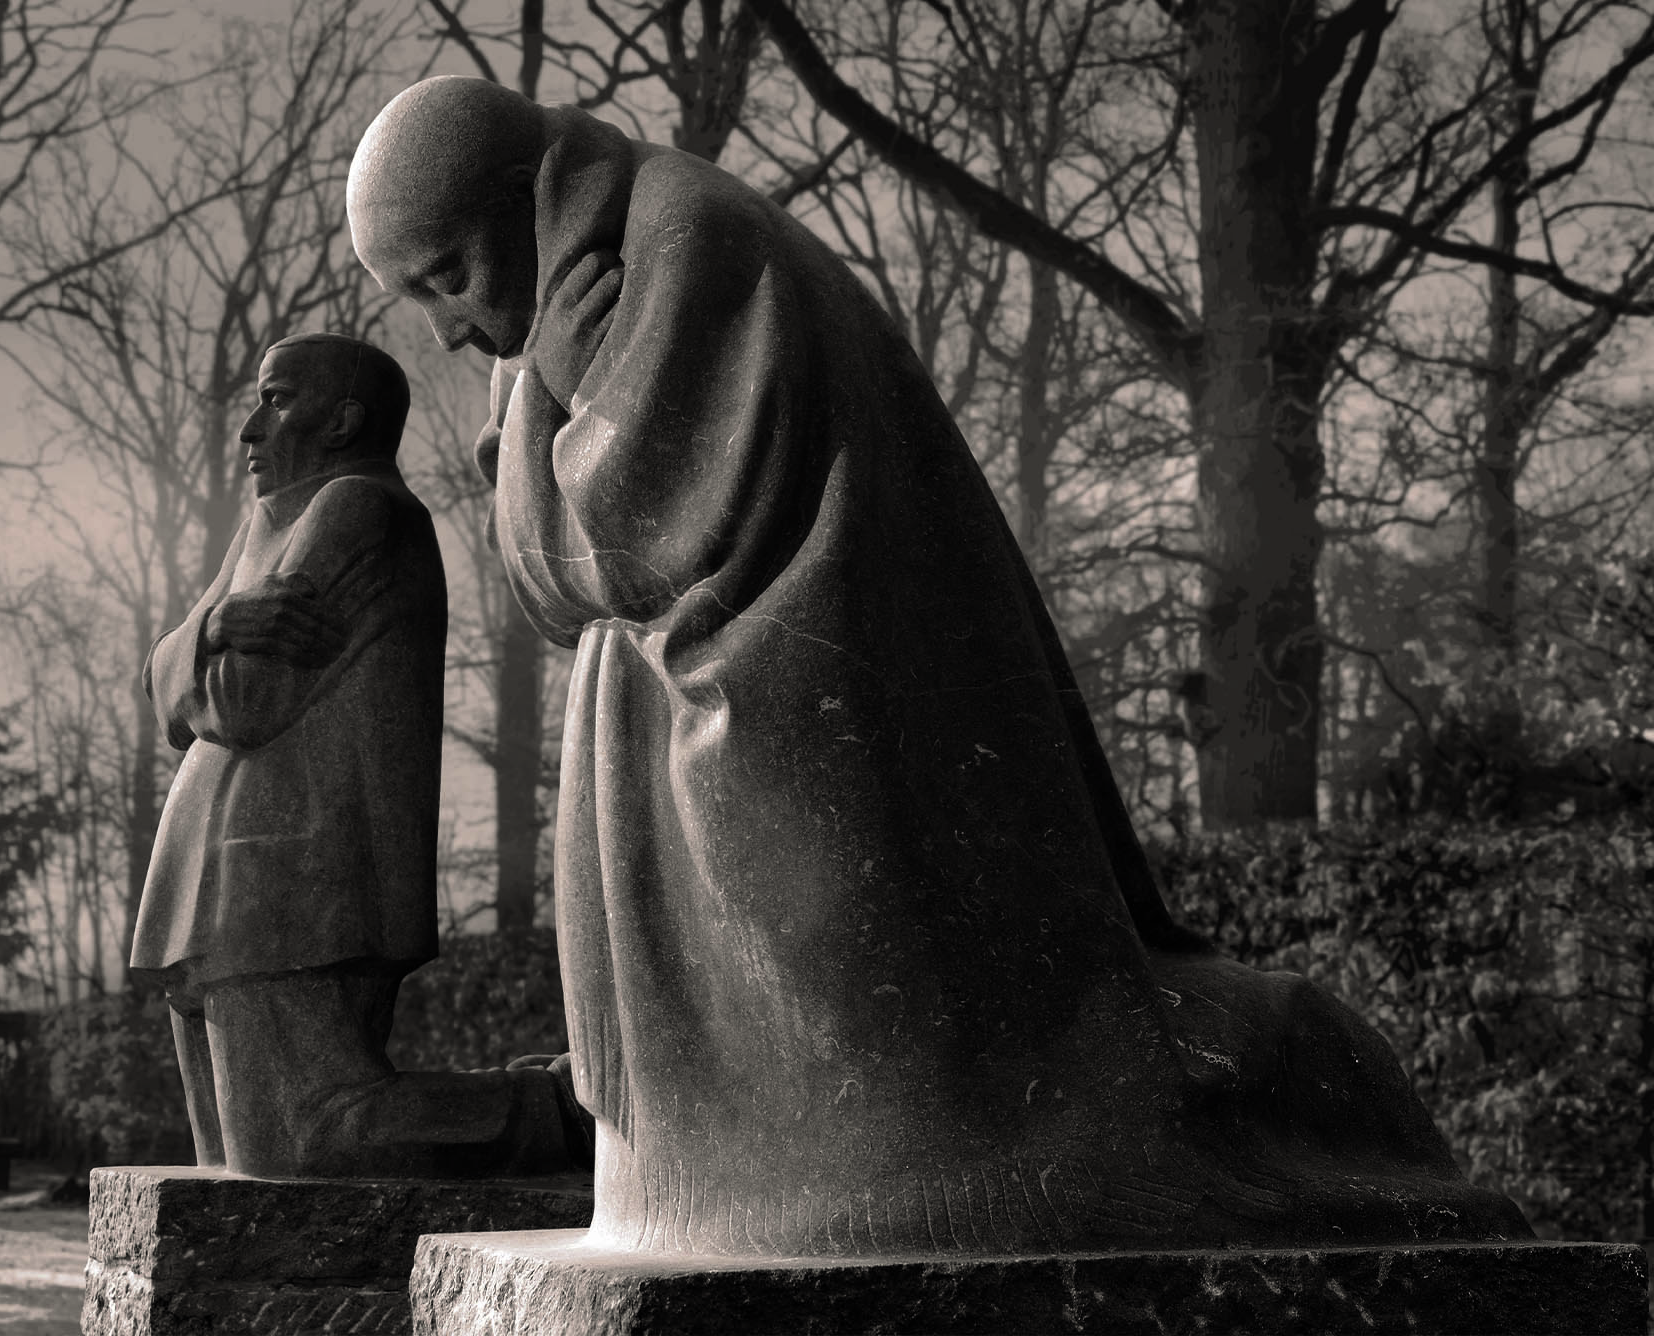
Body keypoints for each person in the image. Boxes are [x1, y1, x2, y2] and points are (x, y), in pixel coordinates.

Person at [347, 78, 1527, 1254]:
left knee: (917, 1146)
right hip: (699, 759)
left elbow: (618, 535)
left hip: (799, 753)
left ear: (528, 195)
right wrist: (551, 393)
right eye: (418, 297)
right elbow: (547, 579)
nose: (448, 328)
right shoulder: (561, 310)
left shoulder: (685, 238)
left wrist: (550, 413)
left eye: (448, 275)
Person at [132, 331, 585, 1179]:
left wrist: (193, 655)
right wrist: (217, 627)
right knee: (239, 1166)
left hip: (291, 882)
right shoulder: (271, 524)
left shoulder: (357, 510)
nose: (250, 431)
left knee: (306, 1141)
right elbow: (163, 684)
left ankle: (564, 1113)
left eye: (276, 399)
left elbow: (241, 700)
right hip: (215, 885)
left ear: (342, 419)